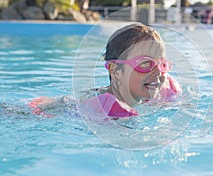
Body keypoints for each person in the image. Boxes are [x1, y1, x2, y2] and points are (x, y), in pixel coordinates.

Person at [28, 23, 182, 119]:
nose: (157, 72)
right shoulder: (105, 106)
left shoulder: (156, 97)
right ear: (115, 71)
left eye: (162, 64)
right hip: (50, 110)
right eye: (145, 63)